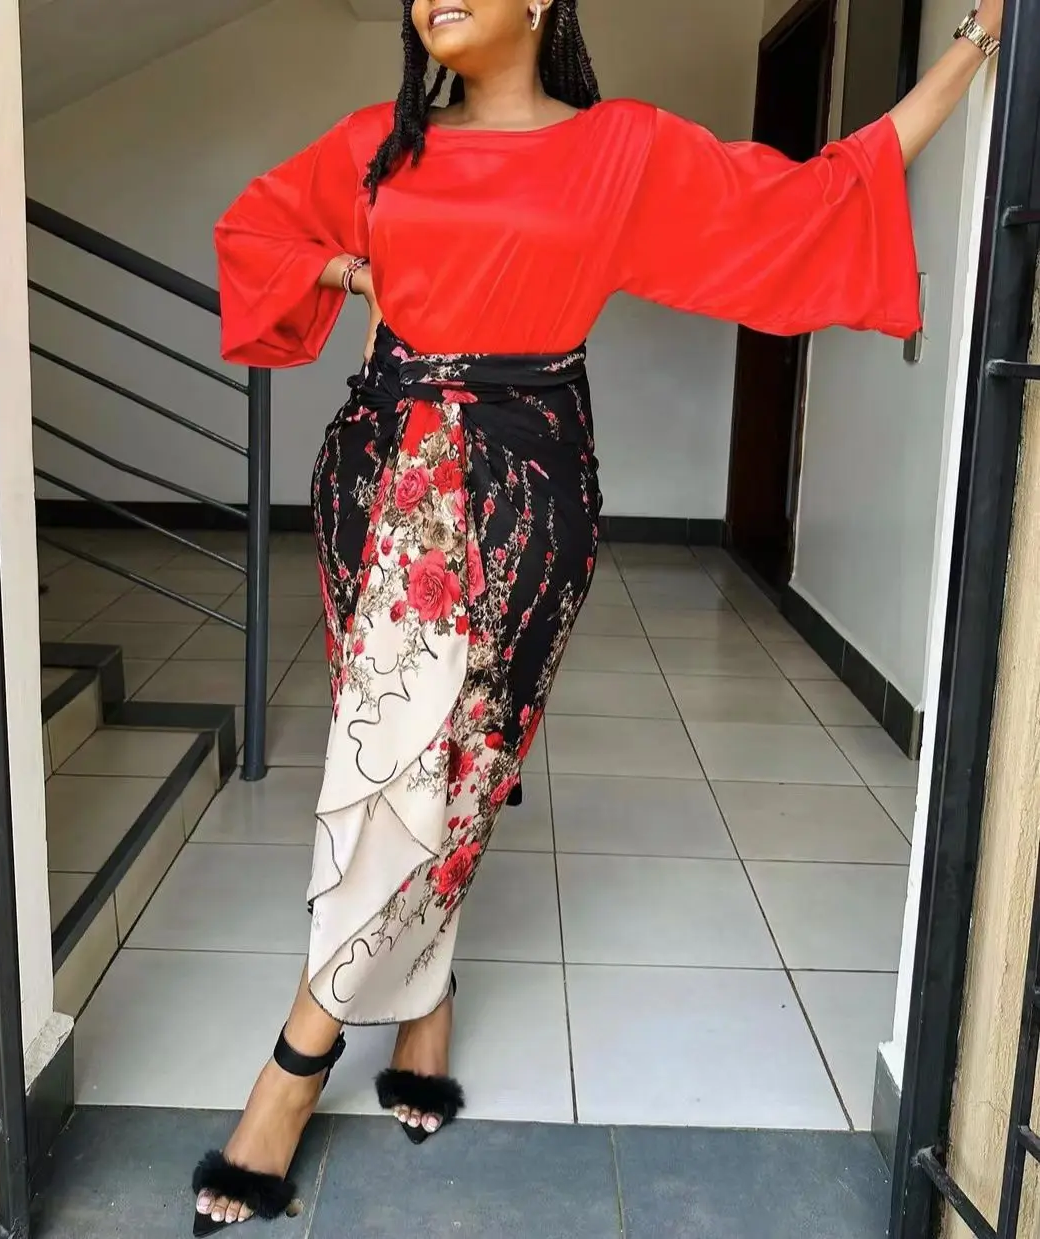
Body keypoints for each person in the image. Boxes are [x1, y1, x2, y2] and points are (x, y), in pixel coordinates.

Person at [192, 0, 1006, 1230]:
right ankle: (419, 1006)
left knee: (461, 762)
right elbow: (254, 229)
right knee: (394, 763)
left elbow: (812, 198)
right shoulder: (379, 143)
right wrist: (348, 268)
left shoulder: (620, 147)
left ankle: (292, 1069)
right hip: (383, 478)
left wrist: (971, 47)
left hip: (525, 483)